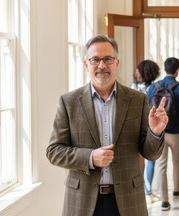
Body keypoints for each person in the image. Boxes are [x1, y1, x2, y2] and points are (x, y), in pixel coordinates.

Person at [46, 35, 167, 216]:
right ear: (86, 64)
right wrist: (90, 157)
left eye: (108, 59)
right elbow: (54, 151)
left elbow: (150, 153)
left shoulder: (137, 100)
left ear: (116, 63)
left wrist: (155, 132)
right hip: (82, 200)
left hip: (127, 199)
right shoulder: (69, 102)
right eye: (95, 59)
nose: (102, 65)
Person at [147, 57, 179, 211]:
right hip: (176, 131)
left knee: (161, 165)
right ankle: (177, 188)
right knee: (177, 161)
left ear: (164, 69)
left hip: (159, 132)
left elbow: (148, 110)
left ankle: (164, 201)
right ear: (177, 71)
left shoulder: (153, 87)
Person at [131, 60, 161, 203]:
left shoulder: (133, 87)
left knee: (135, 160)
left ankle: (138, 190)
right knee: (150, 159)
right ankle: (147, 191)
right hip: (148, 126)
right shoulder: (154, 88)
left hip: (132, 125)